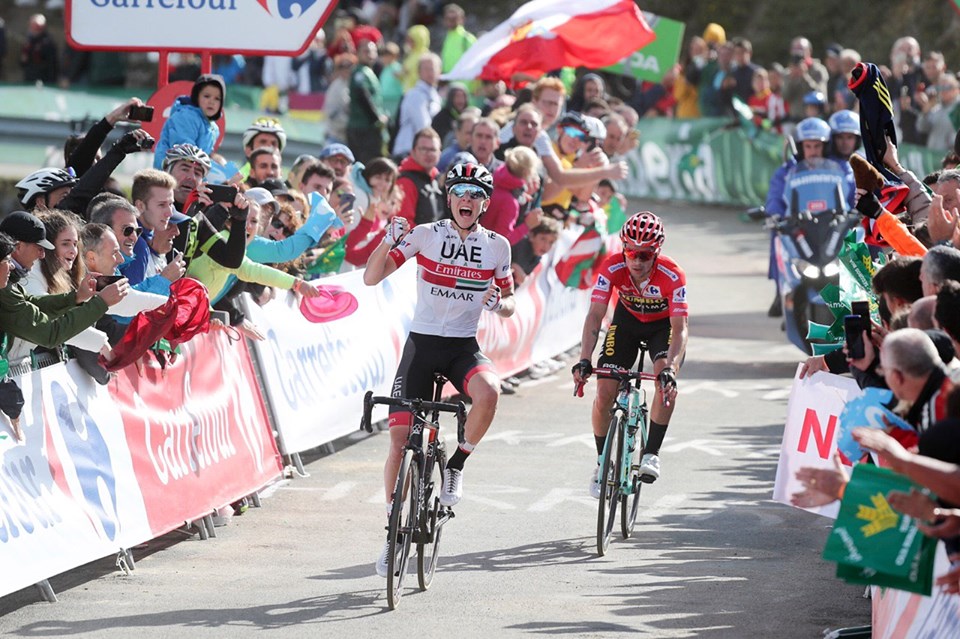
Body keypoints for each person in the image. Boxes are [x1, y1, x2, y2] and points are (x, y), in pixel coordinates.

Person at [363, 162, 515, 576]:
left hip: (462, 346)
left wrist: (497, 303)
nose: (467, 200)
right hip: (422, 344)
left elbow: (511, 302)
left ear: (484, 203)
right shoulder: (426, 235)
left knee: (490, 392)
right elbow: (371, 278)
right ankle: (393, 532)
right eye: (460, 193)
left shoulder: (497, 246)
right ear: (449, 198)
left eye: (476, 194)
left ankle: (456, 465)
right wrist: (385, 241)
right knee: (399, 440)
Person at [572, 212, 688, 494]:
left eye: (645, 255)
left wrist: (670, 368)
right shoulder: (611, 267)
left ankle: (651, 453)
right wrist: (585, 359)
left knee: (664, 383)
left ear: (656, 252)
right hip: (627, 324)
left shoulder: (673, 274)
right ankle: (602, 462)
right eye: (631, 253)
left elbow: (680, 328)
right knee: (603, 393)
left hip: (662, 327)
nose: (636, 261)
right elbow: (595, 316)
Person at [152, 74, 225, 169]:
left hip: (192, 169)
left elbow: (205, 153)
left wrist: (215, 160)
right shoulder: (186, 116)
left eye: (217, 98)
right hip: (170, 170)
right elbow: (184, 151)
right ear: (197, 97)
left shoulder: (213, 127)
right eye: (207, 96)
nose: (212, 101)